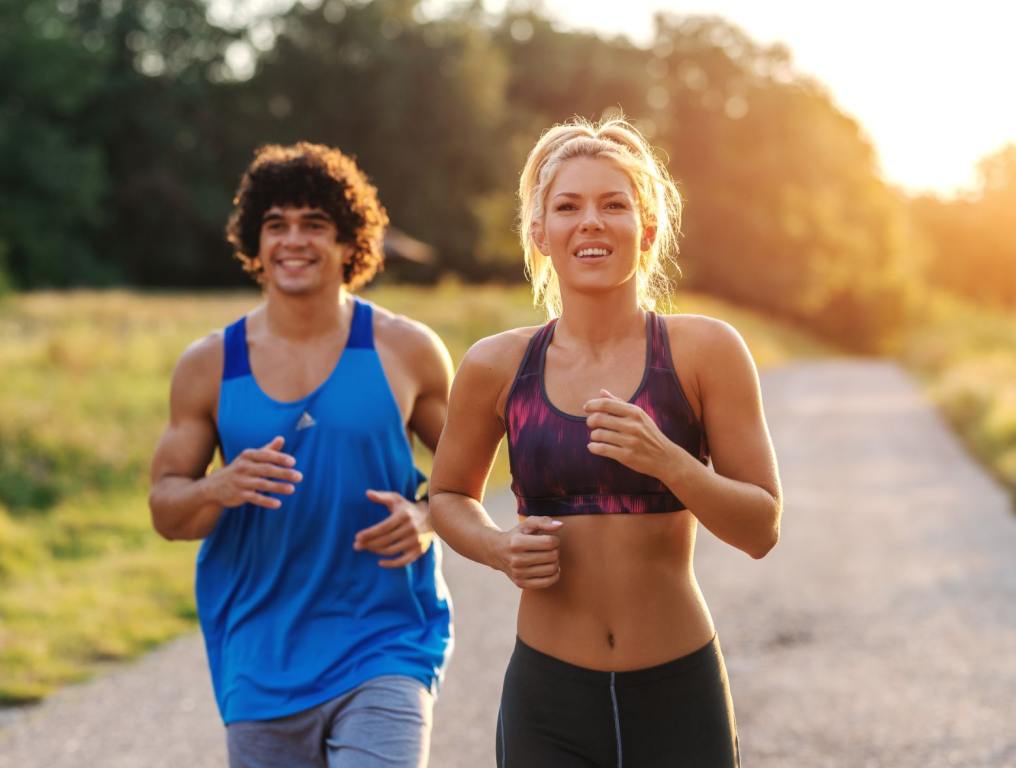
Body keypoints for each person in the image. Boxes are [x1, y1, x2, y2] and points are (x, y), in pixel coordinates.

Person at [430, 117, 782, 767]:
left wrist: (669, 461)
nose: (591, 221)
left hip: (679, 694)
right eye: (568, 206)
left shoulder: (705, 352)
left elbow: (760, 528)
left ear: (646, 230)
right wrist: (497, 546)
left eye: (614, 204)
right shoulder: (496, 365)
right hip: (549, 698)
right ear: (539, 234)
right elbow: (448, 494)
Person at [148, 142, 453, 768]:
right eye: (276, 225)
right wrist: (216, 487)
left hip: (386, 636)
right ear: (254, 244)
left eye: (315, 224)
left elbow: (468, 478)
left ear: (350, 244)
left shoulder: (408, 350)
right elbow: (165, 509)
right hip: (262, 651)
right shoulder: (208, 365)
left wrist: (426, 517)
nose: (294, 240)